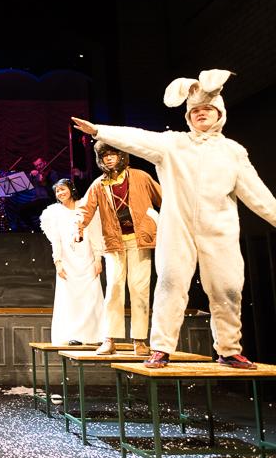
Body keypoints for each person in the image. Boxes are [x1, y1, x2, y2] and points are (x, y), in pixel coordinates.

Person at [72, 69, 276, 369]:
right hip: (177, 228)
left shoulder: (233, 152)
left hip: (219, 229)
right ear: (188, 117)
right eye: (195, 111)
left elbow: (257, 194)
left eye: (207, 109)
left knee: (228, 289)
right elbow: (138, 138)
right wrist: (100, 131)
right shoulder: (174, 145)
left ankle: (229, 349)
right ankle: (161, 348)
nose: (201, 114)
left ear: (219, 114)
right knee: (170, 285)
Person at [77, 142, 162, 356]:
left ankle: (139, 340)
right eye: (104, 155)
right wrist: (78, 227)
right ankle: (109, 339)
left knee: (139, 289)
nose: (109, 158)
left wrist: (168, 222)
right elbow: (84, 209)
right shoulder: (99, 184)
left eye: (113, 154)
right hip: (114, 243)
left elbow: (165, 199)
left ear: (121, 155)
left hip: (140, 241)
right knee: (114, 288)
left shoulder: (140, 177)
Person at [40, 179, 104, 346]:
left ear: (71, 189)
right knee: (70, 299)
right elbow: (56, 240)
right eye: (57, 191)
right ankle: (72, 335)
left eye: (63, 189)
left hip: (87, 258)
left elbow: (95, 233)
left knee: (91, 296)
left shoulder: (85, 207)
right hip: (68, 260)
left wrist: (98, 258)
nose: (60, 193)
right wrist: (58, 262)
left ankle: (95, 336)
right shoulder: (54, 213)